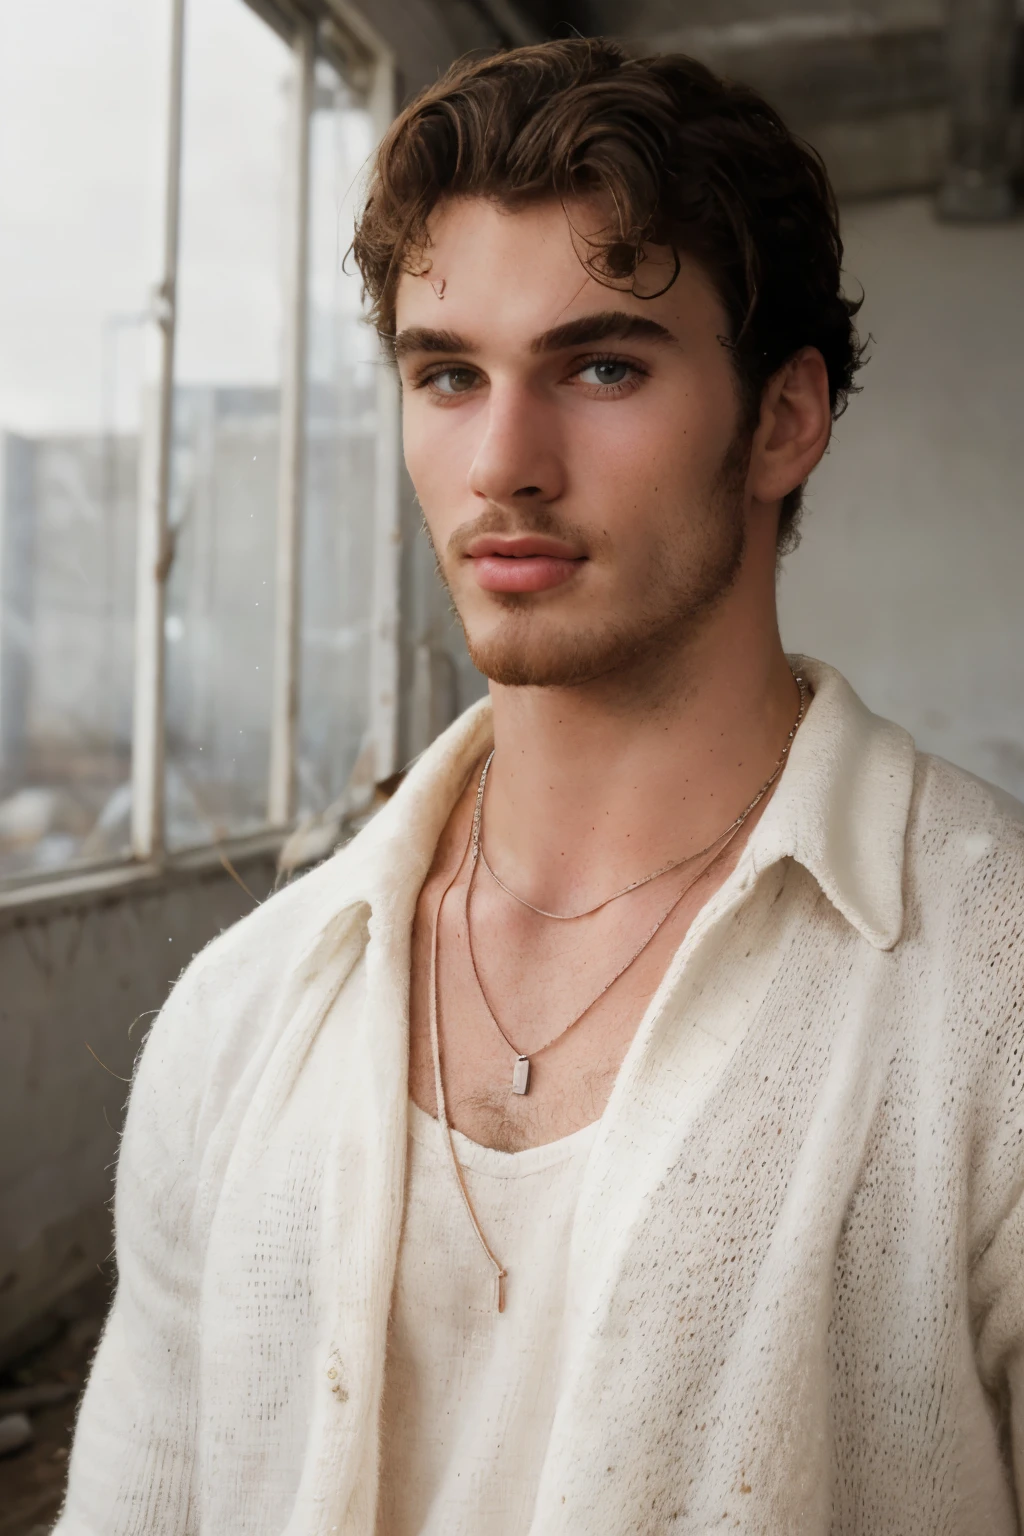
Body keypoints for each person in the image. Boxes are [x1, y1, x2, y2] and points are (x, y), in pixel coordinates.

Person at [57, 38, 1024, 1536]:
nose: (504, 461)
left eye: (603, 365)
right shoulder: (243, 1015)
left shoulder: (994, 991)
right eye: (447, 375)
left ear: (783, 419)